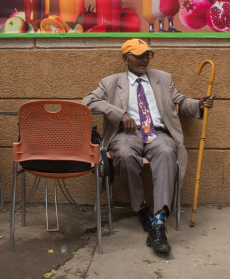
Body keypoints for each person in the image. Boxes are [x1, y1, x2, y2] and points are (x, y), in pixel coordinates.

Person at [82, 38, 215, 253]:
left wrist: (198, 104)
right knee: (123, 154)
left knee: (166, 150)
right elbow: (87, 102)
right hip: (127, 134)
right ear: (126, 58)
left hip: (158, 133)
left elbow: (180, 101)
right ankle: (141, 208)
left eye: (148, 55)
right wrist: (118, 113)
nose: (145, 59)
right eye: (139, 55)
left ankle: (159, 222)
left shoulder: (163, 78)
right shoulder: (110, 82)